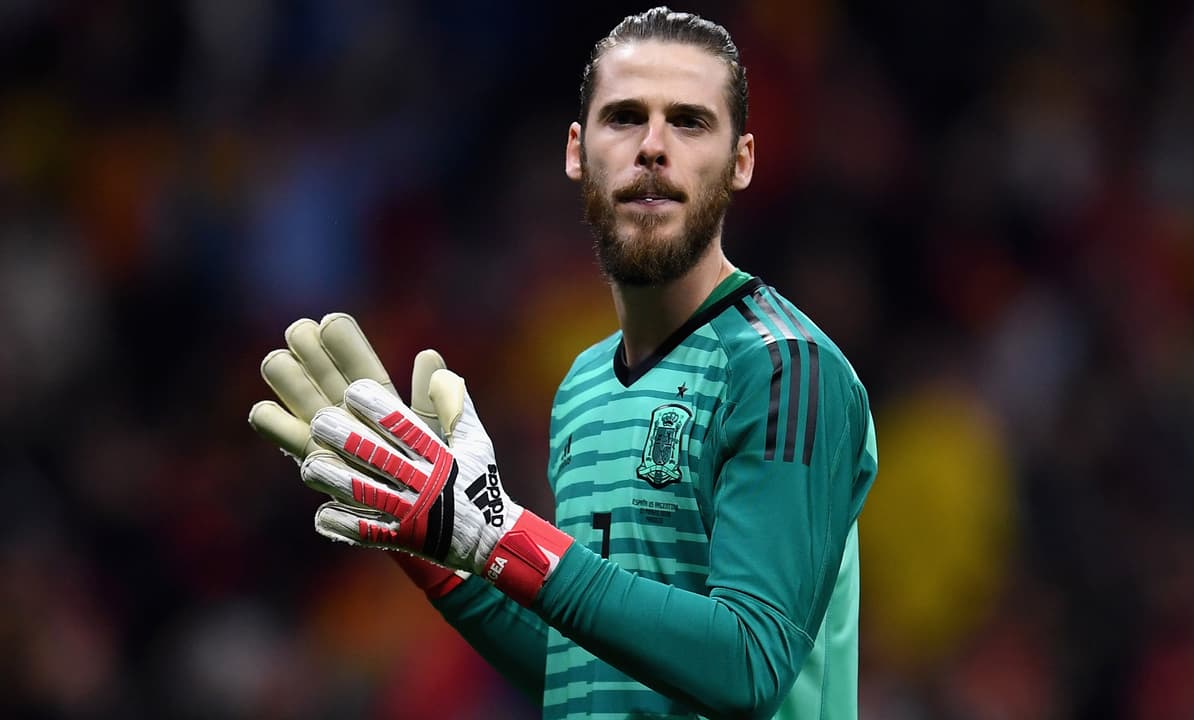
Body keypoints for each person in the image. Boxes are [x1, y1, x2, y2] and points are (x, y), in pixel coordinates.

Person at [250, 7, 877, 719]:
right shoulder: (583, 385)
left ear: (741, 161)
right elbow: (593, 676)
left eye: (690, 122)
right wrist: (442, 555)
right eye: (624, 118)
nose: (653, 147)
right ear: (578, 152)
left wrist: (501, 535)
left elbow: (749, 664)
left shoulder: (785, 369)